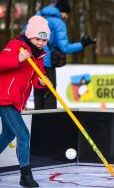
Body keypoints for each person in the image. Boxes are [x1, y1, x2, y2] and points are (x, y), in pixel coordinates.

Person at [0, 15, 50, 187]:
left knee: (8, 134)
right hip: (4, 97)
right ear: (30, 36)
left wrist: (41, 82)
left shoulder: (40, 55)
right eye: (38, 38)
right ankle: (25, 176)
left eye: (45, 40)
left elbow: (37, 77)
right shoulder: (16, 45)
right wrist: (18, 59)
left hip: (16, 100)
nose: (41, 43)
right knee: (23, 134)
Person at [34, 0, 95, 109]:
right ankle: (50, 123)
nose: (66, 17)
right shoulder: (58, 23)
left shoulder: (37, 17)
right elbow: (65, 47)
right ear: (61, 11)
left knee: (38, 92)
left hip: (33, 61)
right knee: (50, 92)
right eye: (66, 14)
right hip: (47, 63)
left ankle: (37, 122)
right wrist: (82, 44)